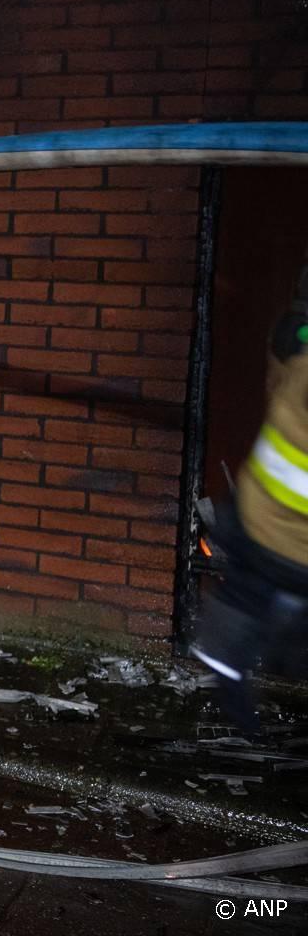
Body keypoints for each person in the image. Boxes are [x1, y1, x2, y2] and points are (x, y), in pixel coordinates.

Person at [192, 257, 308, 730]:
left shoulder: (293, 339)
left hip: (255, 511)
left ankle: (229, 648)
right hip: (295, 548)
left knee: (249, 581)